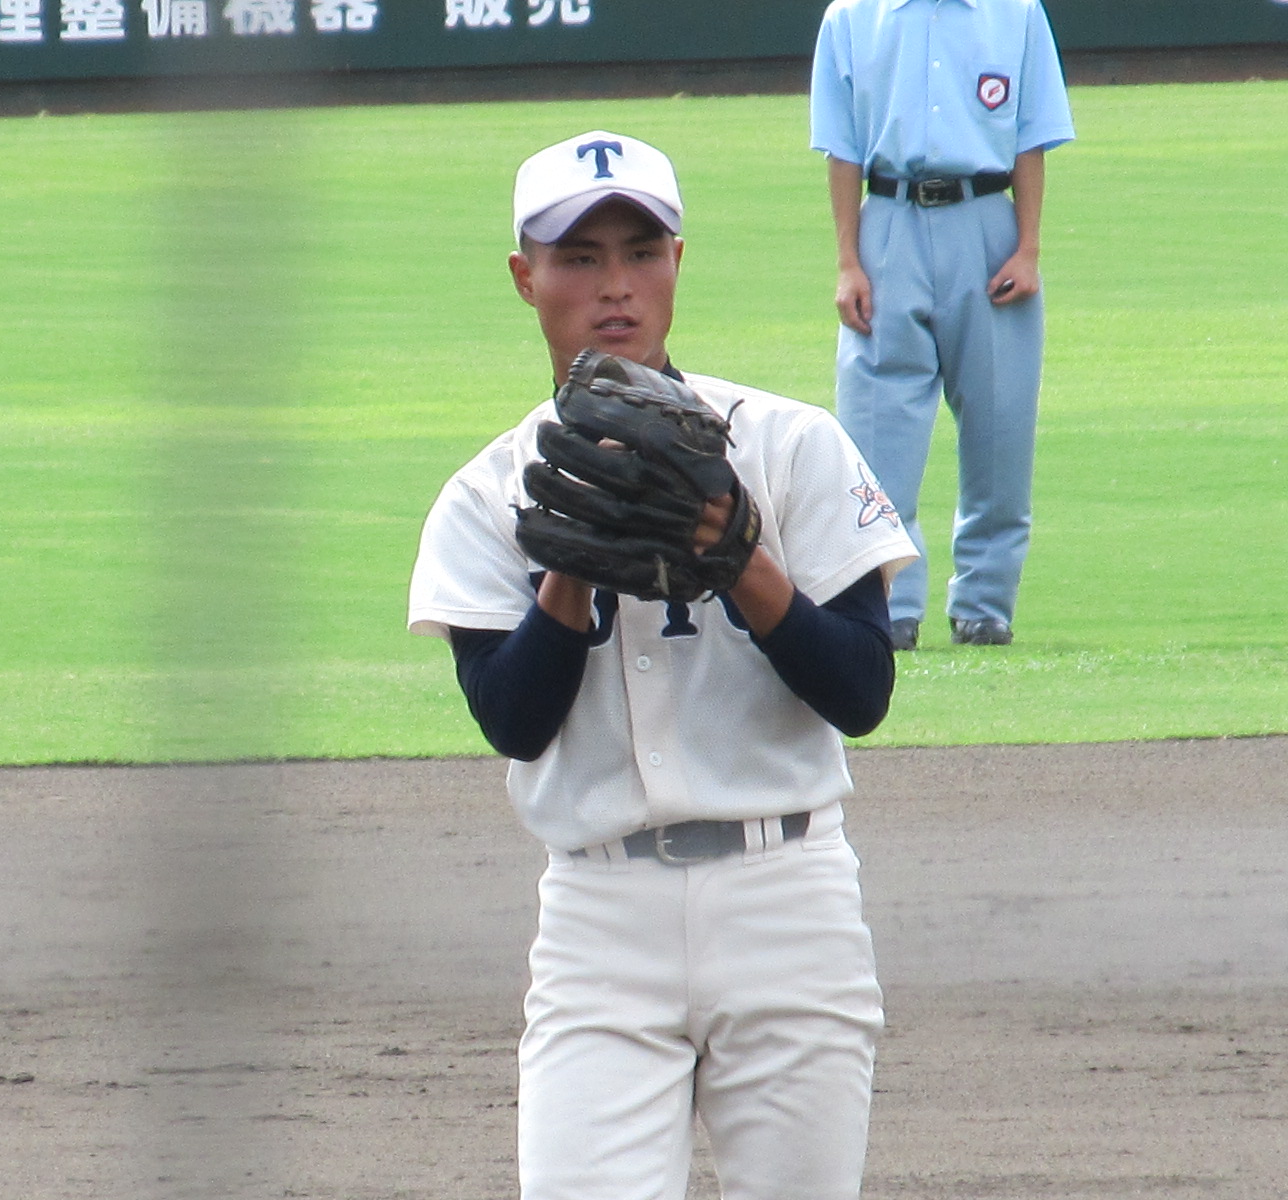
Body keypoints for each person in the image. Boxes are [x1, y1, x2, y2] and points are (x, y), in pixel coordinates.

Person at [407, 130, 918, 1200]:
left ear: (678, 261)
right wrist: (569, 570)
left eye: (640, 252)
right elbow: (512, 719)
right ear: (525, 277)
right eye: (578, 258)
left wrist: (741, 562)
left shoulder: (789, 447)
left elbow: (861, 692)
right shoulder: (485, 495)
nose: (614, 287)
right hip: (599, 928)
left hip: (788, 902)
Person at [810, 0, 1076, 650]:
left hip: (986, 221)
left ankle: (985, 604)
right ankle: (890, 601)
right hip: (889, 218)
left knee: (999, 424)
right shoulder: (851, 16)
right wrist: (848, 260)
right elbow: (842, 148)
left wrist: (1029, 247)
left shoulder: (1014, 13)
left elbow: (1029, 137)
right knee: (877, 434)